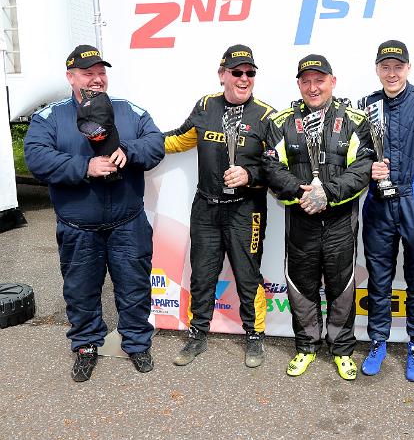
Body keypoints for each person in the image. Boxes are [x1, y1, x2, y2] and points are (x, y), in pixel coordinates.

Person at [24, 44, 164, 382]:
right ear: (70, 77)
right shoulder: (50, 117)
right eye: (88, 73)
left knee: (134, 288)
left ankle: (136, 343)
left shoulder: (129, 111)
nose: (97, 78)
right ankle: (86, 345)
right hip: (78, 226)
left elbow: (156, 143)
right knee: (81, 291)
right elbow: (37, 158)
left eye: (101, 72)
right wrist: (84, 166)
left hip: (128, 222)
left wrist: (128, 151)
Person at [164, 44, 276, 368]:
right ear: (222, 75)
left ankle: (254, 336)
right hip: (206, 207)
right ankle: (197, 334)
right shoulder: (206, 105)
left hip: (246, 209)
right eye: (237, 72)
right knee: (202, 274)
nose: (244, 78)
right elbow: (178, 139)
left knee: (247, 275)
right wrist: (134, 145)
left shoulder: (266, 116)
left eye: (250, 73)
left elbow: (277, 167)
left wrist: (250, 175)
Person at [262, 54, 373, 380]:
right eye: (306, 81)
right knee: (301, 286)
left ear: (332, 82)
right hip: (300, 219)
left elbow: (363, 168)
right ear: (299, 84)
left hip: (340, 221)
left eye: (319, 80)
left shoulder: (354, 120)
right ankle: (306, 346)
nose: (313, 87)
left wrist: (328, 193)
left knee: (342, 287)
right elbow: (270, 167)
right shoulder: (281, 121)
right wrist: (303, 194)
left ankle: (342, 349)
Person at [357, 40, 414, 382]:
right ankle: (378, 342)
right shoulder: (366, 105)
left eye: (398, 66)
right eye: (386, 67)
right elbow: (357, 155)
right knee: (379, 279)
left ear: (408, 68)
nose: (392, 73)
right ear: (377, 69)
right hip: (378, 206)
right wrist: (369, 167)